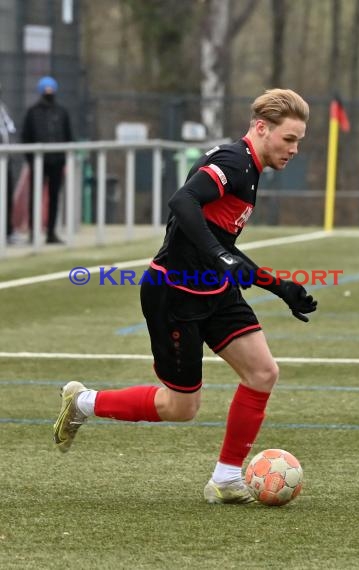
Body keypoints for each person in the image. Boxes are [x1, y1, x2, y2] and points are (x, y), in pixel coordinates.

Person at [53, 88, 317, 504]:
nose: (295, 149)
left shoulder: (251, 168)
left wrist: (279, 287)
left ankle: (227, 479)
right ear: (262, 129)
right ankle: (84, 401)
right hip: (174, 294)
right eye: (289, 138)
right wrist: (218, 256)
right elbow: (182, 201)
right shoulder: (234, 161)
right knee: (181, 406)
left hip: (214, 289)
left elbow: (221, 242)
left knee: (263, 373)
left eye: (299, 140)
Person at [21, 76, 73, 244]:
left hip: (57, 162)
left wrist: (63, 159)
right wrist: (31, 160)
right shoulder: (33, 112)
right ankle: (33, 232)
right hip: (38, 162)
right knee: (35, 197)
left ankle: (51, 232)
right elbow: (26, 137)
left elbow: (68, 136)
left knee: (54, 197)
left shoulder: (61, 112)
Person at [0, 82, 17, 243]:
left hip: (5, 161)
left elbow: (10, 130)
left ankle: (7, 231)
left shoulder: (3, 109)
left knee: (6, 196)